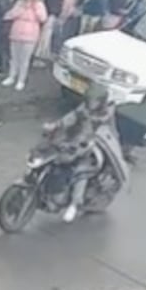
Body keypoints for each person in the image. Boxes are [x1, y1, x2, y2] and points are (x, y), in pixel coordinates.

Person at [41, 87, 115, 222]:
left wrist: (91, 144)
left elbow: (108, 135)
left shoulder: (105, 116)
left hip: (95, 150)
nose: (91, 103)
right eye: (90, 100)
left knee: (81, 172)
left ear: (101, 102)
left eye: (95, 101)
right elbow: (71, 117)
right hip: (76, 142)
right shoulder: (84, 109)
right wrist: (55, 125)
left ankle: (74, 205)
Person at [3, 0, 47, 91]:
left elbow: (43, 18)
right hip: (17, 32)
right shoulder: (20, 3)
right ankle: (11, 76)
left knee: (24, 59)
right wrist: (23, 7)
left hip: (30, 35)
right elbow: (10, 15)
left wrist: (35, 7)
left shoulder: (40, 5)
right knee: (14, 57)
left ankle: (21, 80)